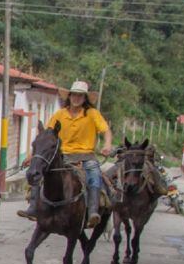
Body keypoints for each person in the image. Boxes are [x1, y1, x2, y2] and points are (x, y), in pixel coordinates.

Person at [18, 80, 113, 226]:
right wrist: (32, 156)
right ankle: (33, 207)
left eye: (80, 96)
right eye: (74, 95)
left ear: (85, 98)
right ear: (69, 96)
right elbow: (46, 136)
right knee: (39, 170)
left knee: (94, 175)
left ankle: (93, 211)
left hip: (86, 155)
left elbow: (106, 131)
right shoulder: (60, 114)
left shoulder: (92, 114)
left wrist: (107, 144)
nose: (76, 98)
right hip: (63, 155)